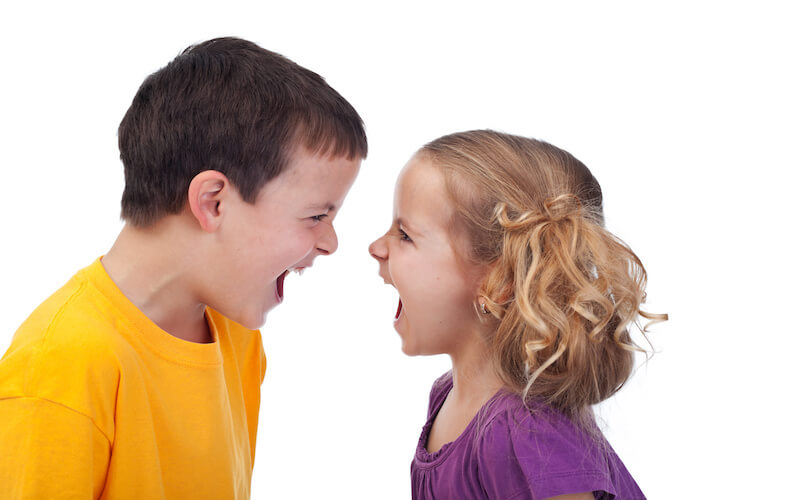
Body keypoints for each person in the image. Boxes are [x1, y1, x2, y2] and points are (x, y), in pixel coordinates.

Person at [0, 37, 367, 498]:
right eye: (316, 216)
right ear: (213, 203)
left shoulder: (237, 336)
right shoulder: (59, 371)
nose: (331, 242)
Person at [369, 130, 664, 499]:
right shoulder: (446, 395)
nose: (376, 247)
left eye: (405, 235)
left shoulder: (525, 433)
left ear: (498, 281)